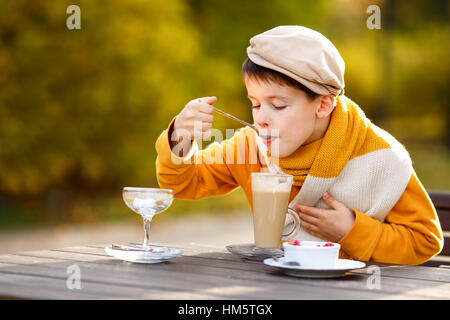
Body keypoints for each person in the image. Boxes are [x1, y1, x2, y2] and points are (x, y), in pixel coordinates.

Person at [155, 25, 443, 265]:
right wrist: (181, 136)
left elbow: (425, 241)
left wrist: (351, 230)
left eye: (278, 106)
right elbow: (183, 184)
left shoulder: (381, 157)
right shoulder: (252, 146)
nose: (261, 119)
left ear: (324, 104)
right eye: (254, 104)